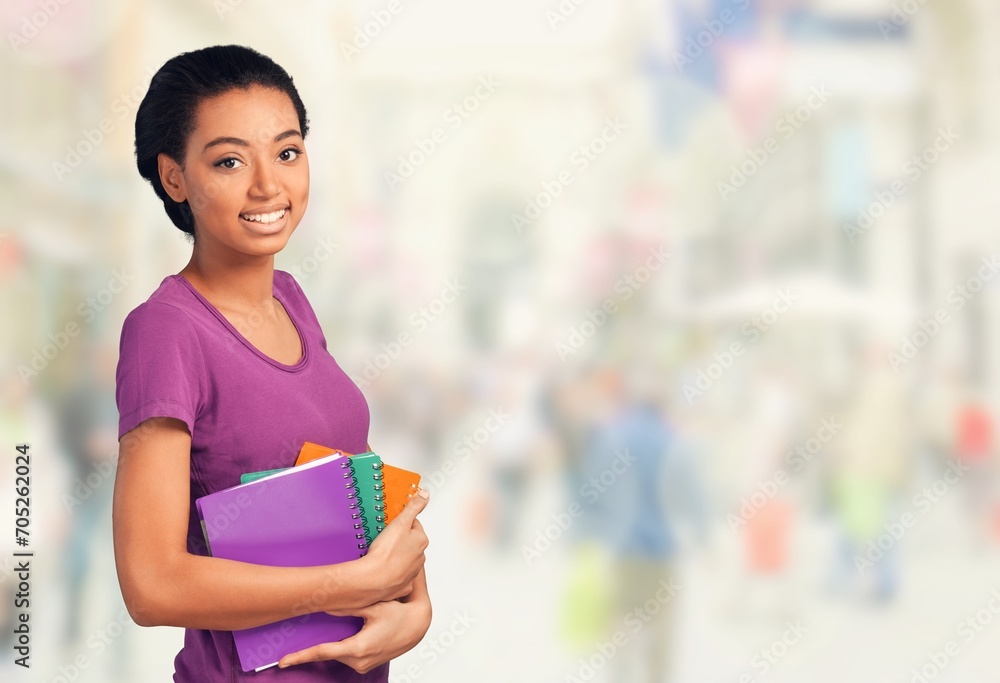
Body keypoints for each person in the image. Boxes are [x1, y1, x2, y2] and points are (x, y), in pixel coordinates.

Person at [113, 45, 431, 682]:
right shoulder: (166, 332)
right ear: (174, 178)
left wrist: (414, 611)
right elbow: (151, 584)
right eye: (229, 160)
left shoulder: (291, 300)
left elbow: (352, 491)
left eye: (287, 152)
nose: (268, 185)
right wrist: (349, 585)